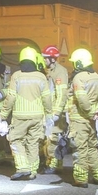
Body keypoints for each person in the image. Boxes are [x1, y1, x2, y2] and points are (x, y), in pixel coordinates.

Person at [0, 47, 52, 181]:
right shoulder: (41, 77)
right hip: (37, 116)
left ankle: (23, 168)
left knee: (15, 140)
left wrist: (3, 115)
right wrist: (49, 114)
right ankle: (32, 171)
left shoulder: (17, 76)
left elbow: (10, 97)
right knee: (33, 143)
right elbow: (47, 98)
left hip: (20, 116)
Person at [61, 48, 98, 188]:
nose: (73, 66)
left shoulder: (78, 78)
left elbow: (82, 98)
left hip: (80, 119)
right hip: (91, 121)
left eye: (75, 63)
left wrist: (90, 112)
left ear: (79, 63)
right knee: (92, 147)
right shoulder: (97, 77)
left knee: (80, 149)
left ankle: (81, 179)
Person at [39, 45, 69, 174]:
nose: (44, 60)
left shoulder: (60, 72)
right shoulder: (49, 71)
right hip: (48, 110)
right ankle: (51, 163)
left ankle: (53, 165)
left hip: (55, 111)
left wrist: (56, 112)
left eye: (46, 58)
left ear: (53, 58)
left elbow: (61, 94)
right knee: (47, 138)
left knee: (53, 138)